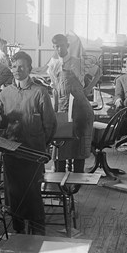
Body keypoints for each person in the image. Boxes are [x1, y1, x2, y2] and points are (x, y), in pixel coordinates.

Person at [0, 51, 57, 253]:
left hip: (33, 155)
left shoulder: (40, 93)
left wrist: (40, 147)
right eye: (14, 66)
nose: (17, 69)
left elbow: (50, 125)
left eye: (22, 66)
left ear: (29, 68)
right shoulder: (4, 94)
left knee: (33, 200)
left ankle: (39, 251)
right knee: (14, 200)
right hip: (11, 155)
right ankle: (21, 252)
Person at [47, 33, 100, 173]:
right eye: (56, 46)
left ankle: (78, 177)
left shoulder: (77, 61)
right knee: (61, 142)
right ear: (53, 47)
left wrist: (88, 88)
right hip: (63, 107)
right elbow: (55, 91)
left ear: (67, 46)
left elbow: (99, 72)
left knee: (79, 143)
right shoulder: (52, 65)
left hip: (80, 109)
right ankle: (59, 178)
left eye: (62, 46)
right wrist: (55, 111)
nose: (59, 49)